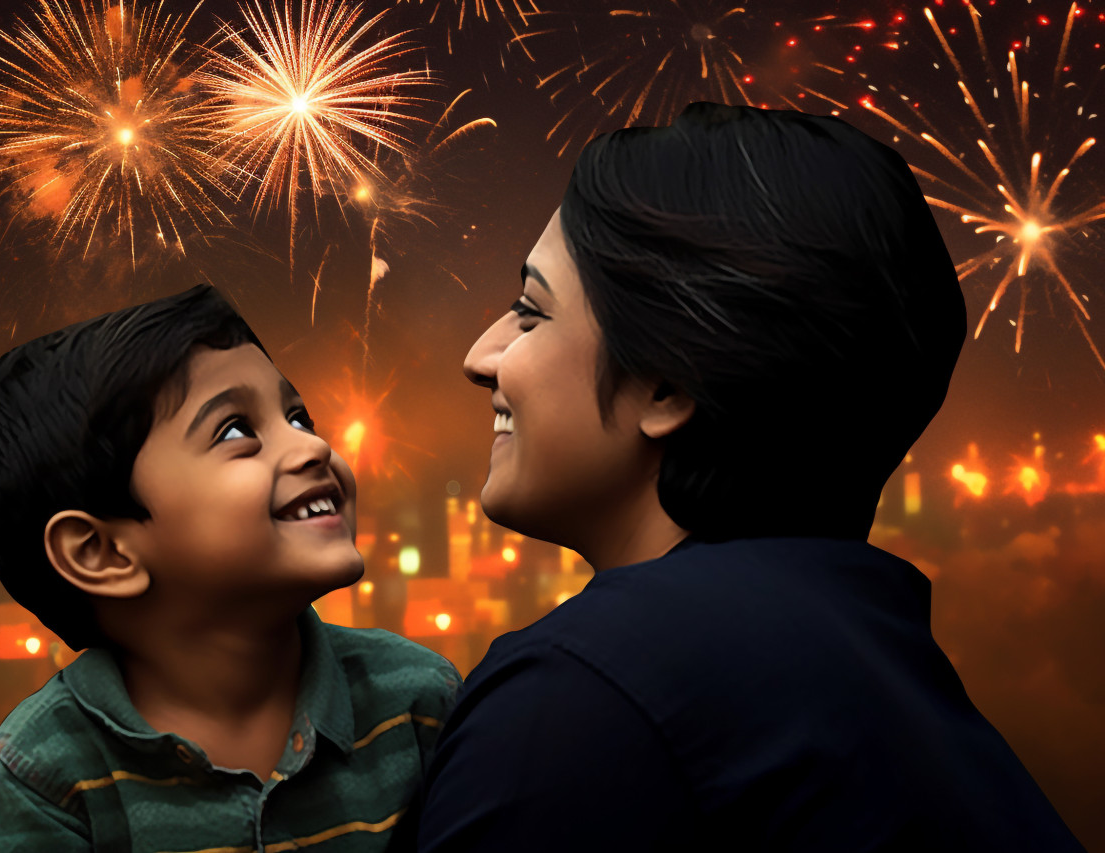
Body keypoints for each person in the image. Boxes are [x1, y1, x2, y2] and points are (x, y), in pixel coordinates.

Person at [398, 103, 1085, 851]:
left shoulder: (584, 694)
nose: (480, 356)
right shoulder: (884, 671)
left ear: (665, 383)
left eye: (530, 313)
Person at [0, 284, 461, 851]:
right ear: (101, 553)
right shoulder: (40, 774)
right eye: (236, 432)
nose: (314, 447)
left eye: (298, 418)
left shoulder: (419, 698)